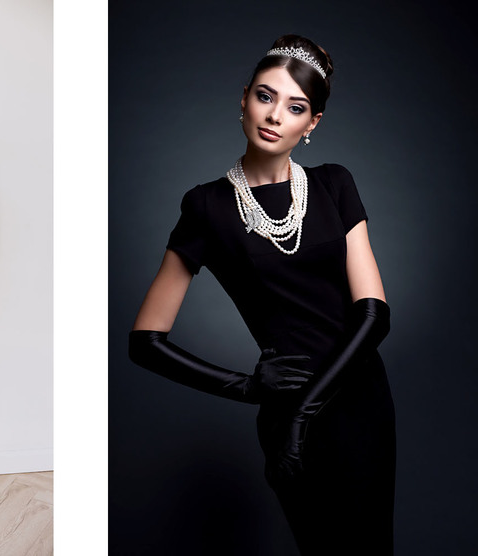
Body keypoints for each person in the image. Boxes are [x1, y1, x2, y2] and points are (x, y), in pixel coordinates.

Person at [128, 35, 395, 554]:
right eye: (265, 96)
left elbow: (374, 315)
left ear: (311, 123)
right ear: (244, 97)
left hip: (359, 401)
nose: (275, 116)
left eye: (295, 107)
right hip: (285, 405)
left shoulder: (335, 184)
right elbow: (145, 341)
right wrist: (249, 388)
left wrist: (305, 411)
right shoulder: (205, 206)